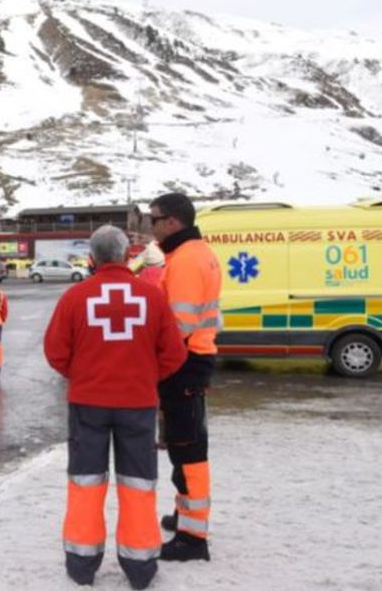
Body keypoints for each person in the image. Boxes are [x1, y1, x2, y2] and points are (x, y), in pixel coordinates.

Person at [44, 225, 187, 589]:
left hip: (87, 405)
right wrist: (145, 377)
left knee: (85, 483)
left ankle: (81, 565)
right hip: (137, 405)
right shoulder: (152, 296)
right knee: (138, 484)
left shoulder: (76, 297)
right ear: (128, 256)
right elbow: (174, 353)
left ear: (91, 259)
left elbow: (56, 352)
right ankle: (140, 568)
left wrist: (84, 375)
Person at [148, 192, 221, 562]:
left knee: (188, 448)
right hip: (192, 361)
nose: (152, 227)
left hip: (184, 364)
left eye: (154, 219)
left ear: (172, 221)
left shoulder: (188, 260)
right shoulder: (191, 254)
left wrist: (155, 364)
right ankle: (185, 516)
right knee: (183, 444)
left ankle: (193, 538)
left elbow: (178, 327)